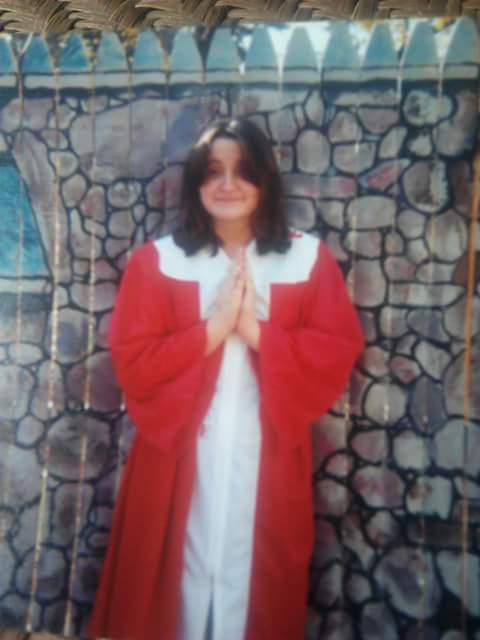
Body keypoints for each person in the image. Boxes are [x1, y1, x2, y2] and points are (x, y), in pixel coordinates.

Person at [88, 118, 364, 640]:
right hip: (176, 453)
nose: (228, 185)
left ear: (265, 181)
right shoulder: (160, 263)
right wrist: (212, 330)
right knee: (174, 579)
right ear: (196, 182)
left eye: (243, 172)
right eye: (213, 171)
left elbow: (335, 349)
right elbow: (134, 360)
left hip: (268, 455)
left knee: (257, 581)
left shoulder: (306, 260)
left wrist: (255, 332)